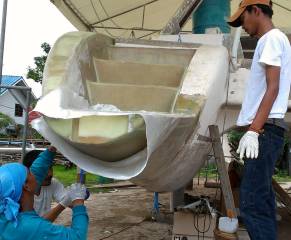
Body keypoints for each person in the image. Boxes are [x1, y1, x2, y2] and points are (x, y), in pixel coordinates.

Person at [227, 0, 291, 239]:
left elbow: (272, 88)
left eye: (242, 19)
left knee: (252, 202)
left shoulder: (271, 39)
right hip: (268, 130)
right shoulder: (276, 39)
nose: (242, 26)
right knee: (262, 200)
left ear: (255, 11)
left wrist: (254, 130)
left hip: (264, 130)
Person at [0, 146, 89, 240]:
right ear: (26, 186)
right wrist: (79, 203)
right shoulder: (34, 227)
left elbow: (37, 171)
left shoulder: (6, 214)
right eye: (30, 172)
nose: (35, 173)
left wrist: (52, 149)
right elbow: (78, 237)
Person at [23, 150, 71, 222]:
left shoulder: (52, 183)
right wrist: (64, 203)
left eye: (50, 167)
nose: (50, 174)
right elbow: (37, 227)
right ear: (30, 172)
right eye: (44, 170)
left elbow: (72, 202)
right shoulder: (19, 194)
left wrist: (77, 196)